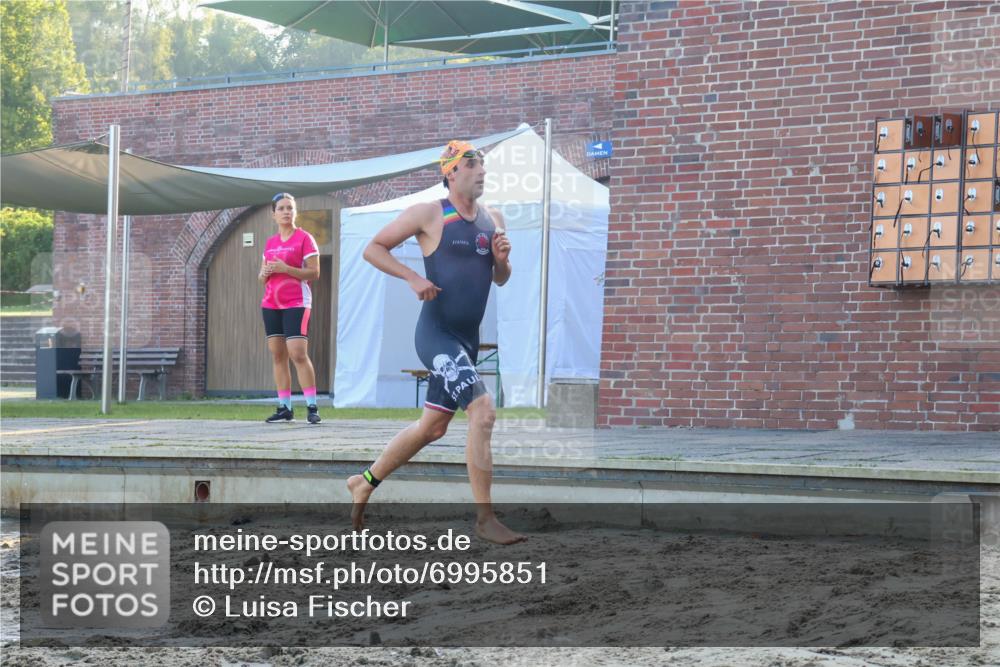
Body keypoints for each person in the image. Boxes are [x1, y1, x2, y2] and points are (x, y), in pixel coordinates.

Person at [347, 140, 524, 544]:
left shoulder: (492, 218)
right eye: (472, 164)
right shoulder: (430, 214)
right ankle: (485, 519)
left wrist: (501, 259)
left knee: (432, 428)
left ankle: (365, 481)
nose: (481, 170)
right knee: (482, 412)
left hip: (466, 339)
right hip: (436, 334)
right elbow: (373, 248)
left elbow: (501, 279)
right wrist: (411, 277)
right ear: (451, 172)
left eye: (482, 164)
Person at [259, 192, 322, 424]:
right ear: (273, 214)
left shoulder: (305, 238)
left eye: (290, 208)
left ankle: (312, 407)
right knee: (278, 355)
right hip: (270, 304)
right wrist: (264, 273)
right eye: (282, 208)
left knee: (297, 353)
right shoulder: (269, 243)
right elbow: (262, 277)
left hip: (296, 302)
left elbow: (314, 273)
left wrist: (286, 268)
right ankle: (284, 407)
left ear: (295, 212)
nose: (286, 212)